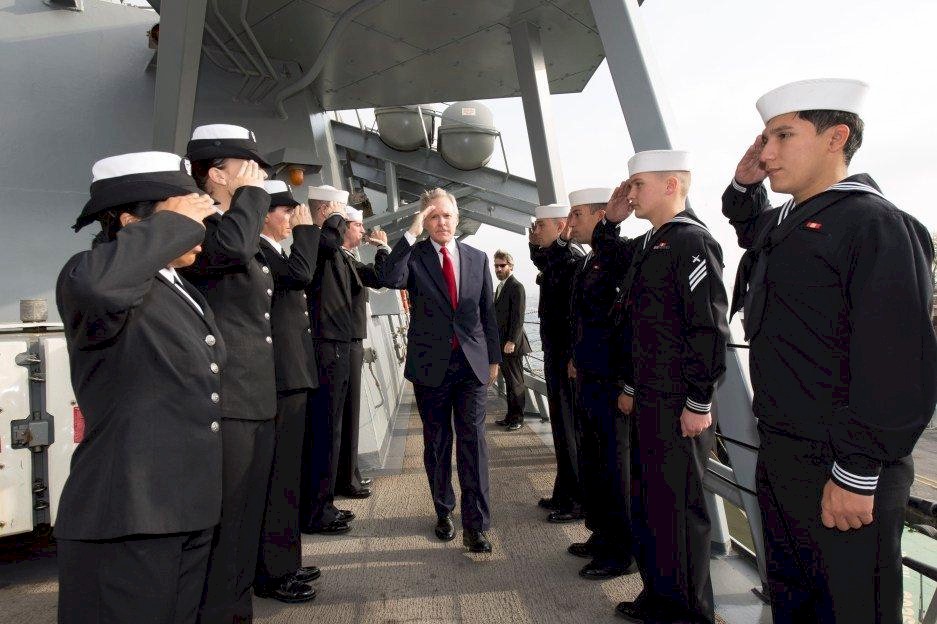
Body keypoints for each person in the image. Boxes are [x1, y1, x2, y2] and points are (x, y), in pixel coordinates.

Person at [723, 78, 937, 624]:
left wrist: (856, 472)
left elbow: (898, 362)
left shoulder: (877, 225)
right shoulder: (792, 221)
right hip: (783, 452)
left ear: (835, 137)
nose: (766, 153)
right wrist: (745, 184)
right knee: (794, 600)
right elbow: (751, 228)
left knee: (850, 609)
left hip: (841, 464)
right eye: (765, 139)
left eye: (783, 136)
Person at [56, 151, 221, 623]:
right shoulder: (90, 276)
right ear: (132, 223)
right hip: (129, 514)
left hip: (183, 506)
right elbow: (99, 288)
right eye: (184, 216)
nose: (198, 230)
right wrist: (172, 225)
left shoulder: (175, 287)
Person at [612, 150, 729, 624]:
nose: (630, 194)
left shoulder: (692, 242)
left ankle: (687, 613)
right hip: (649, 398)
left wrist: (698, 400)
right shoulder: (649, 244)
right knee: (650, 506)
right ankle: (658, 597)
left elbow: (708, 327)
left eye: (638, 184)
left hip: (679, 403)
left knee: (680, 512)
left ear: (671, 185)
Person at [180, 123, 276, 623]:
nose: (257, 176)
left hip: (254, 394)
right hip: (227, 395)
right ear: (216, 174)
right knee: (226, 520)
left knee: (246, 514)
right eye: (248, 167)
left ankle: (236, 610)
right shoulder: (200, 228)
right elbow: (234, 249)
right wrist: (252, 196)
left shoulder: (234, 224)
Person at [376, 187, 501, 553]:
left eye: (446, 215)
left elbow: (487, 313)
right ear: (424, 221)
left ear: (457, 218)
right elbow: (389, 277)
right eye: (433, 216)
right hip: (431, 367)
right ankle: (443, 510)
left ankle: (476, 525)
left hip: (471, 365)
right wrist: (410, 232)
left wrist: (494, 358)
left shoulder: (477, 258)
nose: (441, 222)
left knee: (473, 443)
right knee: (437, 442)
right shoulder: (413, 257)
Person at [253, 180, 321, 604]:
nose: (292, 218)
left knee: (288, 477)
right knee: (278, 478)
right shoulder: (260, 251)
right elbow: (301, 275)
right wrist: (308, 229)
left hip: (292, 374)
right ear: (265, 215)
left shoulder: (273, 251)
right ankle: (273, 572)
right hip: (280, 377)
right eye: (286, 211)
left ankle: (286, 561)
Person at [563, 187, 637, 580]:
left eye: (577, 214)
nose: (570, 222)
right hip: (589, 375)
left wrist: (628, 383)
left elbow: (623, 322)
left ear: (598, 215)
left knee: (614, 467)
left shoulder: (614, 257)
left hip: (611, 380)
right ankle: (602, 533)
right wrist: (576, 357)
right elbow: (583, 318)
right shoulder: (589, 260)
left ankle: (620, 551)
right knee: (593, 462)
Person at [300, 185, 364, 534]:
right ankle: (316, 511)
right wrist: (333, 216)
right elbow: (327, 241)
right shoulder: (316, 240)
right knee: (325, 428)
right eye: (340, 212)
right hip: (325, 345)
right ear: (326, 211)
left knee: (331, 428)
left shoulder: (331, 247)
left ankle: (324, 504)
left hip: (336, 344)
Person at [529, 203, 586, 523]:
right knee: (561, 430)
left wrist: (576, 356)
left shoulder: (572, 258)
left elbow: (579, 314)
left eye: (540, 225)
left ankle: (576, 500)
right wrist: (536, 241)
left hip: (568, 358)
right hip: (556, 354)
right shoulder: (557, 257)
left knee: (570, 430)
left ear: (561, 226)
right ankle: (564, 491)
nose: (535, 230)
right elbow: (543, 259)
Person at [335, 207, 390, 497]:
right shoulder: (340, 258)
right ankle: (346, 480)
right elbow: (379, 276)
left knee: (349, 414)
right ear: (343, 227)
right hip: (344, 342)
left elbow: (378, 278)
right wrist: (381, 248)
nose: (363, 230)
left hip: (351, 340)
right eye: (358, 225)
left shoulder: (348, 258)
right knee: (344, 414)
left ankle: (350, 475)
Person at [492, 249, 532, 431]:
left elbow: (518, 317)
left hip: (512, 344)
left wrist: (511, 341)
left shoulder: (516, 286)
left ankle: (518, 418)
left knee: (516, 382)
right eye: (496, 266)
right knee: (509, 382)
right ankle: (510, 416)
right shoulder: (501, 287)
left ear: (511, 266)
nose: (498, 269)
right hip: (503, 343)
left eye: (502, 265)